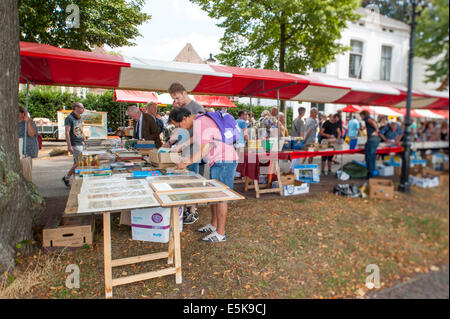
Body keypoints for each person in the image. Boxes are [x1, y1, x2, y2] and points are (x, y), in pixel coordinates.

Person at [170, 107, 239, 242]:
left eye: (178, 125)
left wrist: (186, 162)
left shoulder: (200, 122)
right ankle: (214, 225)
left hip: (224, 160)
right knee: (214, 195)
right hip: (219, 160)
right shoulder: (200, 121)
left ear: (184, 118)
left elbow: (204, 147)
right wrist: (181, 146)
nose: (180, 128)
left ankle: (220, 233)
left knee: (220, 197)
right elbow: (197, 138)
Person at [168, 82, 206, 224]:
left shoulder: (197, 108)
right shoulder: (181, 108)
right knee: (184, 181)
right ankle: (186, 206)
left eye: (177, 98)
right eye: (174, 99)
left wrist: (182, 144)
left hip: (194, 151)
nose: (175, 101)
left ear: (184, 93)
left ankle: (193, 211)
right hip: (184, 151)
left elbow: (199, 135)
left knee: (192, 181)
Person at [62, 102, 86, 187]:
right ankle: (67, 177)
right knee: (79, 162)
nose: (83, 109)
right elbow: (67, 132)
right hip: (74, 143)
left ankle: (72, 178)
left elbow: (80, 129)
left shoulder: (79, 118)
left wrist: (84, 138)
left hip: (80, 142)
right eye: (81, 108)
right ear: (76, 108)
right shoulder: (69, 118)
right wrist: (69, 145)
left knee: (76, 162)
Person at [360, 110, 380, 179]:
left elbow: (373, 123)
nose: (361, 117)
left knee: (370, 157)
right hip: (373, 140)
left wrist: (377, 130)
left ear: (363, 115)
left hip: (372, 140)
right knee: (370, 157)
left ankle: (370, 175)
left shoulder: (367, 118)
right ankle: (370, 173)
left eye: (361, 116)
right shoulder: (369, 118)